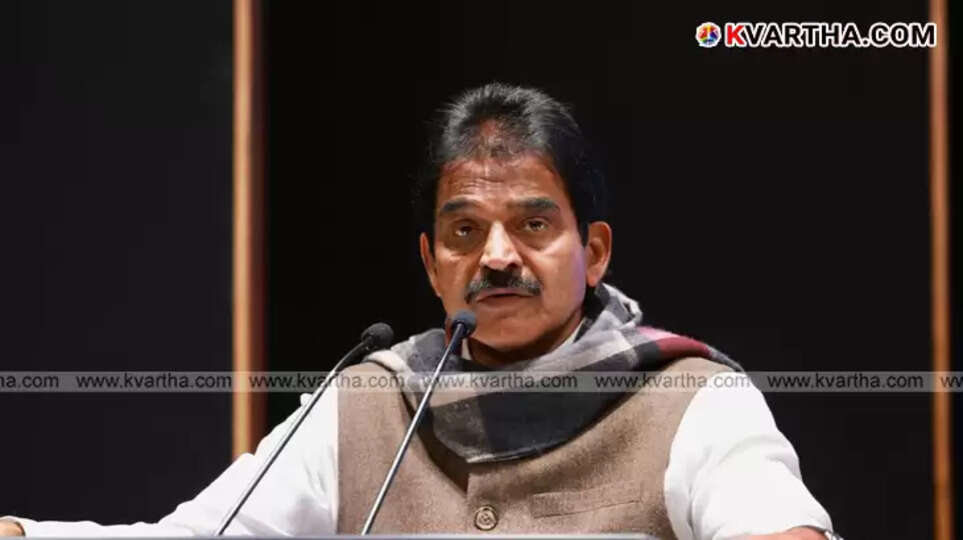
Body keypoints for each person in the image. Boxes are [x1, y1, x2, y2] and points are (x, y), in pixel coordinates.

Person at [1, 83, 836, 539]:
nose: (497, 257)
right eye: (464, 231)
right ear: (431, 264)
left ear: (597, 251)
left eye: (533, 224)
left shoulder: (688, 398)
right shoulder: (370, 404)